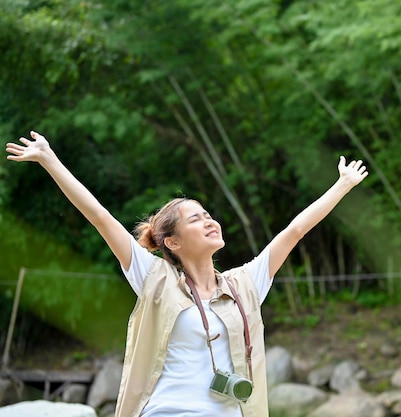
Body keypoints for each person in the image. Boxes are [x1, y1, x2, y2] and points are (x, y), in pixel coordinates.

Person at [6, 131, 368, 417]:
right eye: (196, 219)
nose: (210, 221)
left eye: (208, 214)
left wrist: (343, 185)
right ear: (173, 242)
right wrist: (49, 159)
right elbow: (100, 216)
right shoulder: (154, 278)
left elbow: (294, 231)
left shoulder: (244, 284)